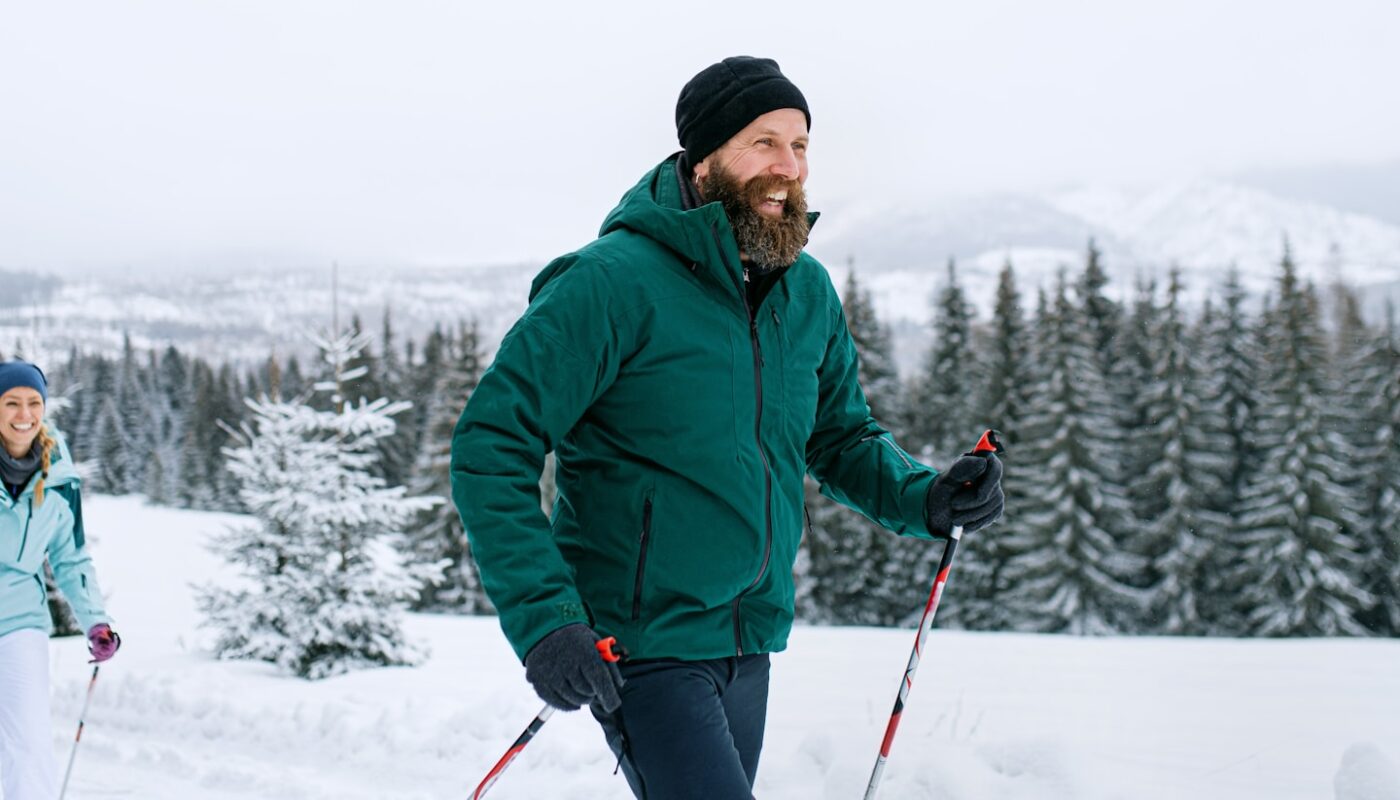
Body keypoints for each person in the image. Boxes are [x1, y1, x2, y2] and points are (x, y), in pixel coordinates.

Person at [451, 56, 1003, 799]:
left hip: (750, 639)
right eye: (763, 142)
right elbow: (493, 443)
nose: (788, 166)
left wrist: (926, 497)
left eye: (800, 145)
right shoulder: (611, 283)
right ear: (703, 158)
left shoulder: (805, 291)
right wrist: (548, 621)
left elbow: (838, 436)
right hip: (641, 645)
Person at [0, 360, 120, 800]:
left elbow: (70, 555)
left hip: (19, 620)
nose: (23, 414)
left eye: (33, 402)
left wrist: (96, 621)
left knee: (29, 745)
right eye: (10, 402)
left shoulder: (59, 475)